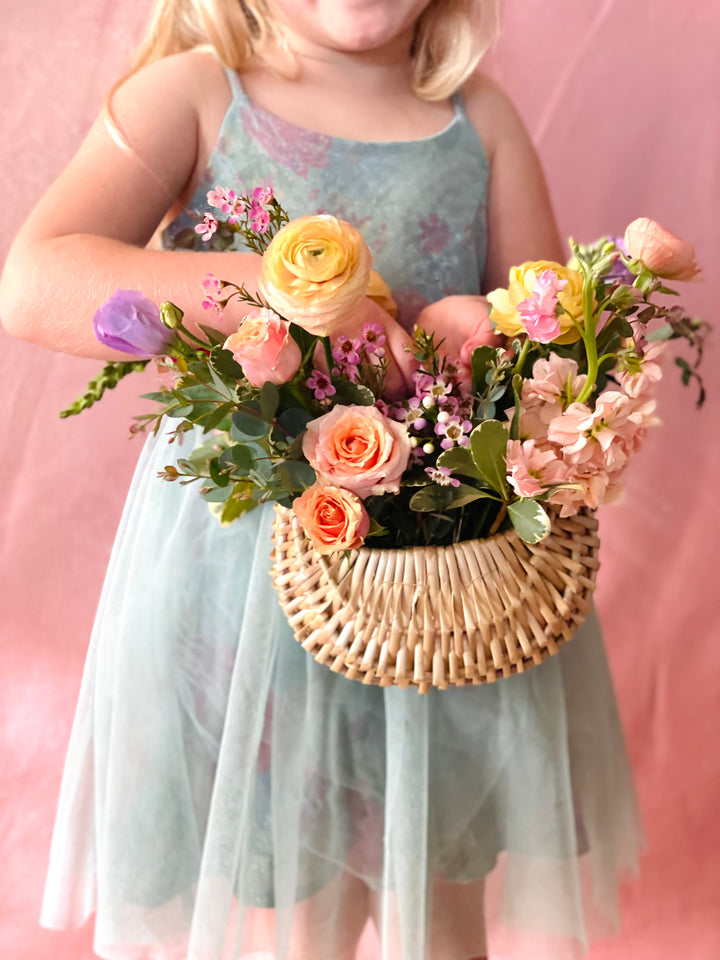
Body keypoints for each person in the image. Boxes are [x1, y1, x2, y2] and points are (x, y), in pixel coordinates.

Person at [0, 1, 642, 959]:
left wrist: (474, 334)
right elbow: (35, 281)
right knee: (300, 907)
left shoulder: (480, 119)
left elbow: (544, 344)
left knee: (440, 893)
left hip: (439, 587)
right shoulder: (197, 94)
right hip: (247, 592)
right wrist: (281, 293)